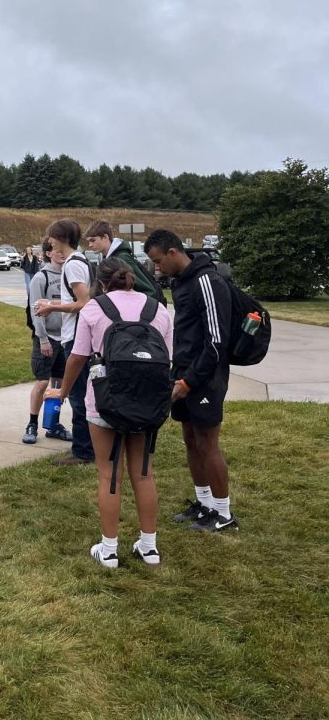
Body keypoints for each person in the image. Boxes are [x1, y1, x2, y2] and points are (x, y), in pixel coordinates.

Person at [45, 257, 173, 568]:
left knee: (108, 473)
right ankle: (149, 546)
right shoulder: (159, 310)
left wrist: (62, 392)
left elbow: (78, 357)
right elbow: (167, 359)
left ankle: (109, 548)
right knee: (144, 474)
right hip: (148, 402)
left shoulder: (94, 308)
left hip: (104, 402)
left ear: (101, 283)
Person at [144, 228, 237, 532]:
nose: (157, 267)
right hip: (182, 371)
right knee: (190, 440)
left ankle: (224, 515)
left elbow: (216, 341)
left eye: (158, 261)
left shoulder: (207, 281)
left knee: (208, 442)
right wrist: (178, 375)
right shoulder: (181, 282)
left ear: (173, 252)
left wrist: (191, 381)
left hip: (205, 376)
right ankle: (204, 504)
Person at [35, 219, 95, 465]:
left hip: (77, 336)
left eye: (52, 237)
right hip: (78, 334)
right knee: (81, 394)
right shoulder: (79, 261)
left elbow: (84, 302)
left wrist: (52, 306)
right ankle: (86, 446)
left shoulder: (72, 265)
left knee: (79, 396)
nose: (50, 241)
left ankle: (83, 451)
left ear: (61, 238)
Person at [23, 239, 70, 444]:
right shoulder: (40, 278)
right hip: (47, 337)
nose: (61, 254)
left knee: (58, 384)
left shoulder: (70, 275)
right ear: (48, 254)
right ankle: (32, 423)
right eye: (56, 251)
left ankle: (53, 424)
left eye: (63, 250)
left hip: (65, 337)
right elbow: (36, 312)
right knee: (43, 381)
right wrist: (42, 339)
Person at [85, 220, 164, 301]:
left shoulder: (122, 258)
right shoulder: (108, 258)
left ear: (105, 237)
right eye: (89, 241)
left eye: (93, 240)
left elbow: (148, 290)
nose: (90, 245)